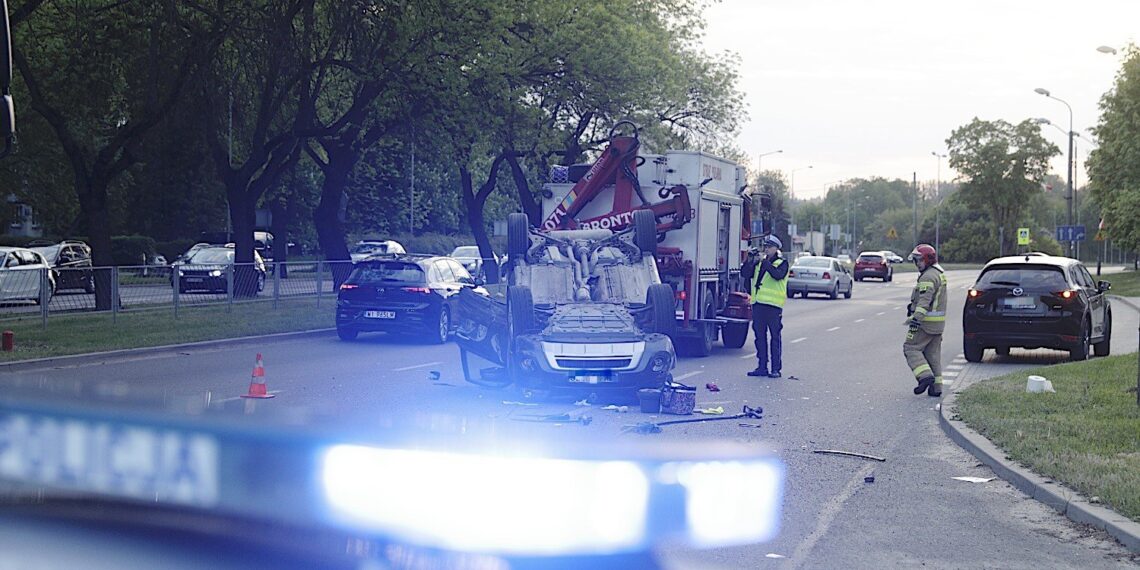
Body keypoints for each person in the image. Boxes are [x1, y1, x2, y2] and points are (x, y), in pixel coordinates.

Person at [904, 243, 948, 397]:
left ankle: (924, 377)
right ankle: (936, 388)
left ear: (927, 260)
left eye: (919, 260)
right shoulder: (938, 273)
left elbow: (924, 301)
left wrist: (916, 318)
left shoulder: (928, 276)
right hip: (937, 325)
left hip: (924, 323)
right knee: (932, 355)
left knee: (910, 348)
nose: (916, 264)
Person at [745, 235, 789, 378]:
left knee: (775, 337)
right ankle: (762, 366)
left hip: (774, 306)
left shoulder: (782, 263)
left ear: (776, 249)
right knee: (759, 337)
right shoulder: (759, 263)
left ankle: (776, 368)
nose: (766, 250)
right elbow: (745, 274)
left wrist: (766, 263)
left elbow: (778, 276)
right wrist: (749, 260)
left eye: (769, 247)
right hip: (758, 304)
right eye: (765, 247)